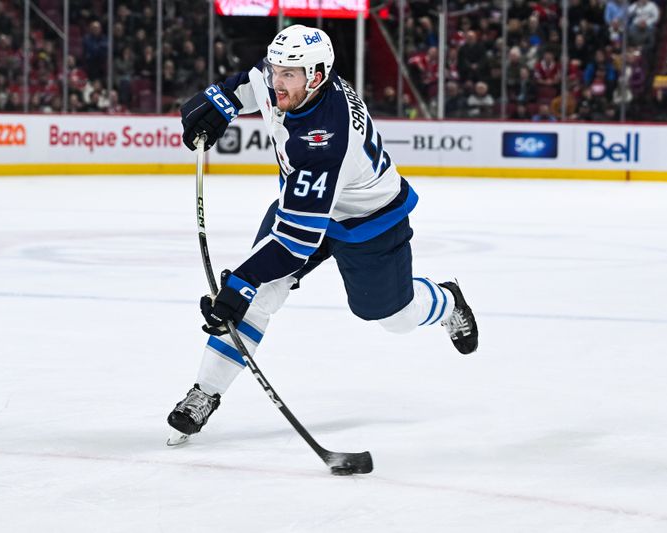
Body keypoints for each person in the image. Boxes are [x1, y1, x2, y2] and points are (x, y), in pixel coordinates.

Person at [166, 25, 479, 440]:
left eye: (288, 74)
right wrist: (218, 102)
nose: (277, 80)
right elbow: (249, 84)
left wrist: (240, 282)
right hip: (305, 203)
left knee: (393, 318)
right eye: (277, 69)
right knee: (256, 299)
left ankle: (445, 299)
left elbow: (296, 244)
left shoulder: (325, 139)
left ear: (316, 76)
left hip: (368, 221)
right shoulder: (294, 79)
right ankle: (205, 392)